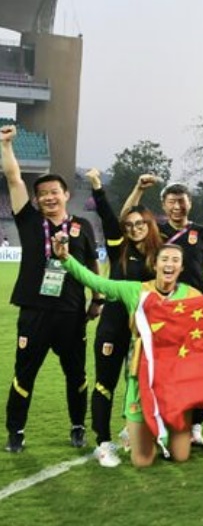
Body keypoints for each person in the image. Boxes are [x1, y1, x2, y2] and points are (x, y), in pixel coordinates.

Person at [52, 238, 201, 467]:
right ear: (155, 264)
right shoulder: (136, 290)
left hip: (176, 380)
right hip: (143, 376)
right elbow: (96, 281)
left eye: (175, 260)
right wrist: (65, 258)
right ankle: (137, 430)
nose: (169, 264)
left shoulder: (193, 296)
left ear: (181, 267)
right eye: (164, 259)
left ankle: (158, 431)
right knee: (142, 461)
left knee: (180, 456)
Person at [3, 125, 101, 454]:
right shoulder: (29, 221)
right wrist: (6, 146)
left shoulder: (82, 226)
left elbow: (93, 264)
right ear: (36, 200)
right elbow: (14, 179)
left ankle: (78, 427)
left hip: (71, 312)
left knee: (76, 374)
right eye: (42, 193)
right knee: (24, 373)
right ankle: (15, 432)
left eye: (54, 192)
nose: (48, 197)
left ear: (66, 195)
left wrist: (97, 299)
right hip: (34, 310)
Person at [84, 168, 161, 467]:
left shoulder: (160, 253)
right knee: (105, 383)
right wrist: (97, 187)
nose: (134, 228)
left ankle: (131, 430)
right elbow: (108, 216)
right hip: (113, 328)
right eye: (129, 225)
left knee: (142, 383)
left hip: (144, 332)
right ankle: (102, 443)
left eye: (140, 223)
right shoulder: (119, 247)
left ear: (149, 224)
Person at [122, 175, 203, 293]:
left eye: (181, 201)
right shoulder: (155, 231)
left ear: (190, 204)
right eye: (171, 202)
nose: (177, 207)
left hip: (194, 298)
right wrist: (139, 189)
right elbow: (127, 216)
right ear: (163, 205)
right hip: (161, 298)